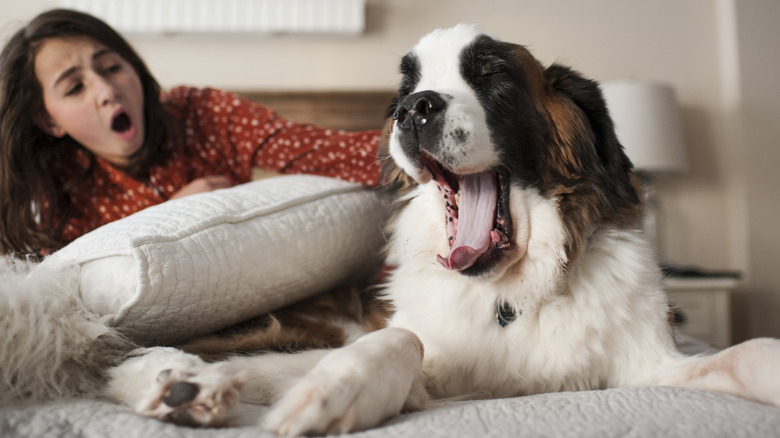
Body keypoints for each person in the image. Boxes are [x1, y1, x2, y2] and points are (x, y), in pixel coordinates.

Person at [0, 9, 384, 256]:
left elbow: (328, 152)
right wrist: (170, 215)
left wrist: (426, 149)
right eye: (74, 88)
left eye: (112, 67)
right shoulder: (47, 187)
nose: (106, 91)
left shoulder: (202, 114)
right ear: (48, 121)